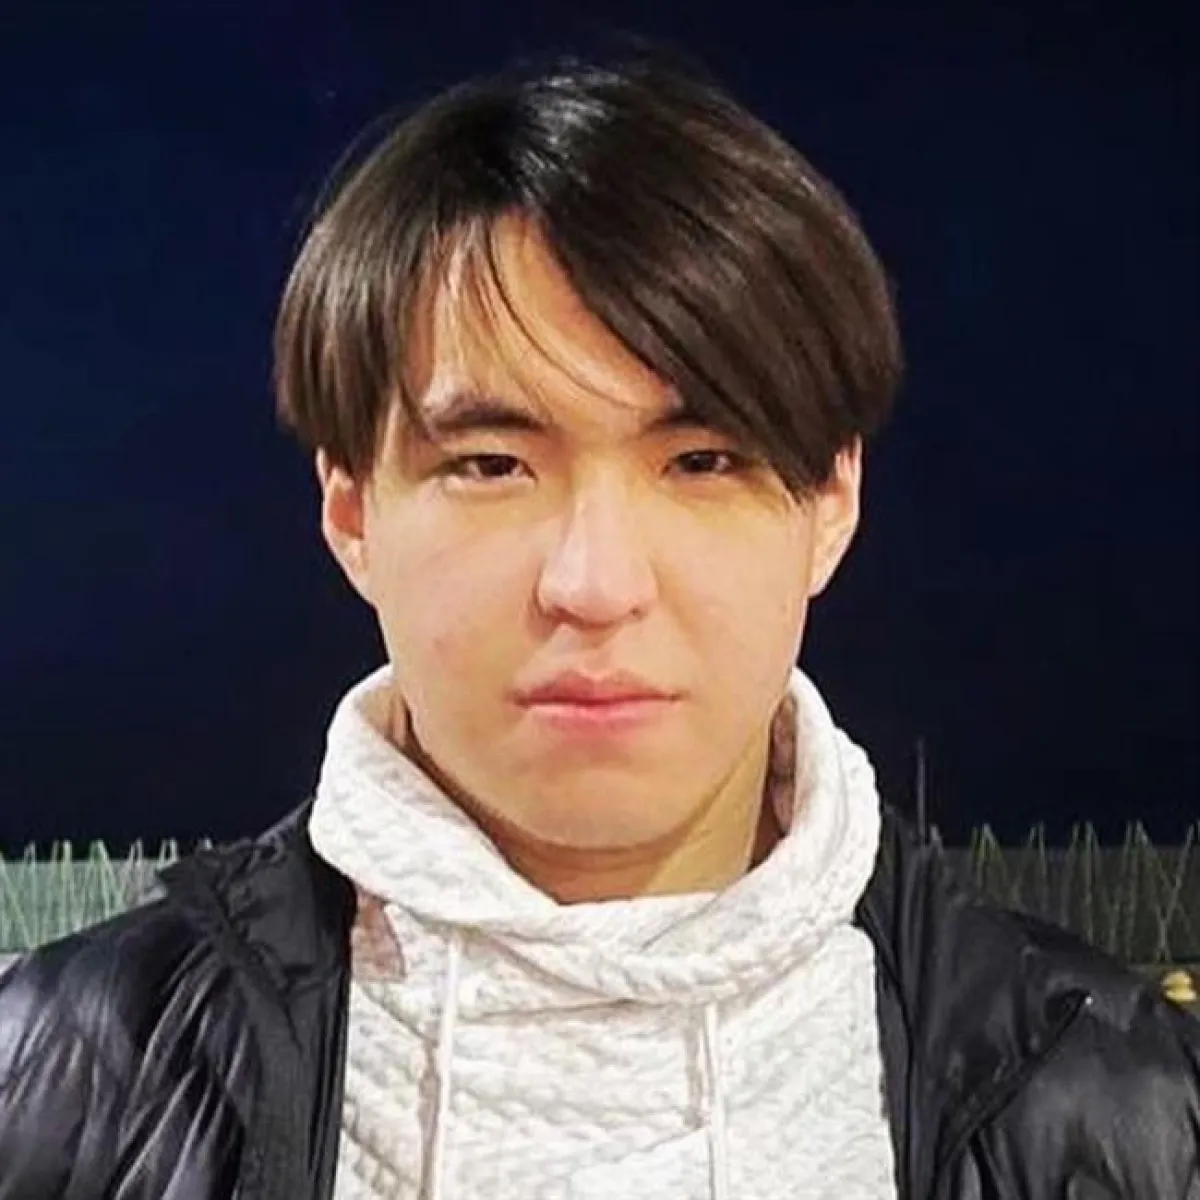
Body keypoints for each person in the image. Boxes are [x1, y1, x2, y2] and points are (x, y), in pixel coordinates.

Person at [0, 52, 1196, 1200]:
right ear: (352, 511)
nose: (595, 581)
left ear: (832, 503)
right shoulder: (58, 1091)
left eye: (703, 460)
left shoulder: (1126, 1104)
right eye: (489, 464)